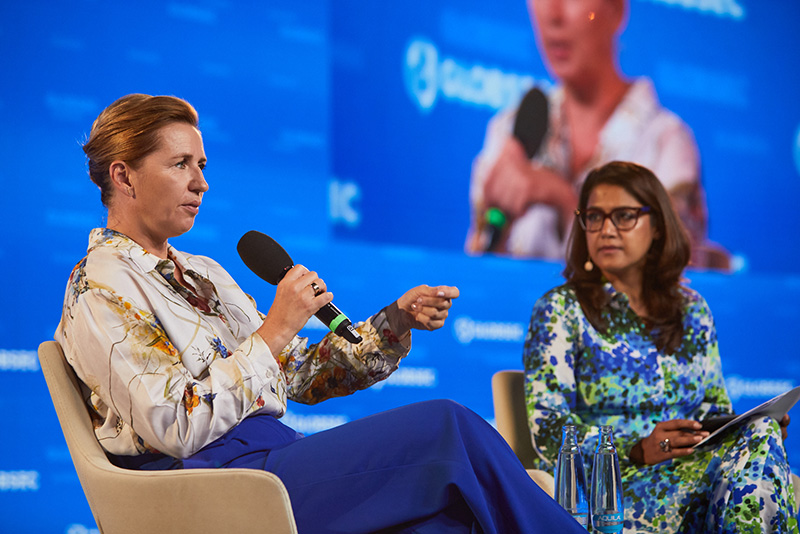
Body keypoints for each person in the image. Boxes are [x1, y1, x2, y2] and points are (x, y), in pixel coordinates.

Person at [55, 93, 589, 534]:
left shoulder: (203, 272)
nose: (202, 183)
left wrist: (395, 321)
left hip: (273, 459)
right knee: (447, 427)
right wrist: (275, 330)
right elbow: (171, 424)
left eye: (202, 166)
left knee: (451, 522)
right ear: (124, 177)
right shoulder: (100, 284)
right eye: (180, 165)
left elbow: (300, 377)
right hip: (211, 482)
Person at [522, 160, 797, 532]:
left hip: (695, 474)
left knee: (760, 435)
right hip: (613, 493)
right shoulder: (560, 309)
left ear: (656, 226)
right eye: (594, 217)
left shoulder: (692, 310)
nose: (606, 230)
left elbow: (713, 411)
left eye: (624, 216)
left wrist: (745, 428)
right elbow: (549, 430)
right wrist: (636, 448)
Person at [466, 0, 731, 270]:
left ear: (616, 11)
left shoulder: (665, 142)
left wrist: (564, 200)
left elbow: (666, 282)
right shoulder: (509, 129)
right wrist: (497, 226)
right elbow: (478, 275)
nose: (553, 15)